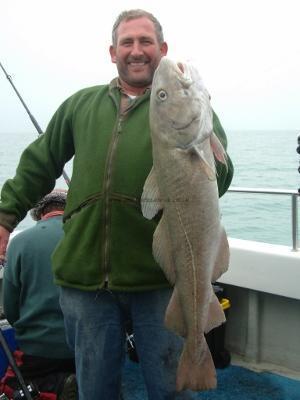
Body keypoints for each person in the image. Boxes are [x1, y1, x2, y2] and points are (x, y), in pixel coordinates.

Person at [0, 9, 233, 400]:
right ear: (113, 52)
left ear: (162, 49)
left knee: (170, 388)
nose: (136, 50)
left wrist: (202, 143)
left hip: (158, 275)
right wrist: (6, 217)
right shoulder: (81, 105)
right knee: (96, 388)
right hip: (86, 278)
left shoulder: (195, 110)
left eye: (146, 42)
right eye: (128, 42)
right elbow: (39, 164)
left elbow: (222, 180)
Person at [0, 190, 77, 400]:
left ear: (39, 212)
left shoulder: (20, 242)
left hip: (38, 348)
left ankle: (57, 385)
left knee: (11, 388)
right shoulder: (87, 238)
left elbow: (12, 311)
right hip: (87, 344)